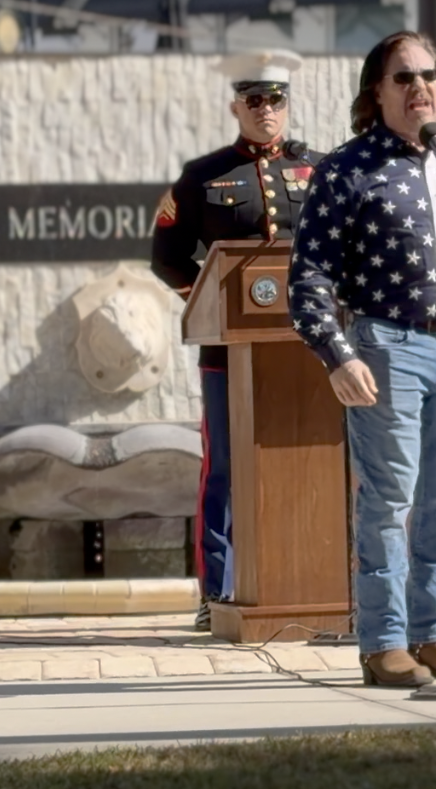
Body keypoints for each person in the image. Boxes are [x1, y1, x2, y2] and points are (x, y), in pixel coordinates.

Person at [288, 31, 436, 688]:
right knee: (389, 499)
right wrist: (336, 353)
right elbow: (307, 273)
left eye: (430, 74)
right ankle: (384, 642)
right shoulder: (347, 170)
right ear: (377, 90)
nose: (420, 86)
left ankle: (434, 634)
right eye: (404, 77)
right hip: (386, 346)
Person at [151, 48, 323, 632]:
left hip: (308, 353)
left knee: (308, 461)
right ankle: (216, 591)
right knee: (222, 469)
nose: (266, 111)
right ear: (235, 106)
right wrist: (210, 310)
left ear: (287, 105)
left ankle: (313, 579)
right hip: (228, 357)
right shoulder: (202, 177)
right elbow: (167, 258)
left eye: (275, 100)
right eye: (254, 101)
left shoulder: (318, 171)